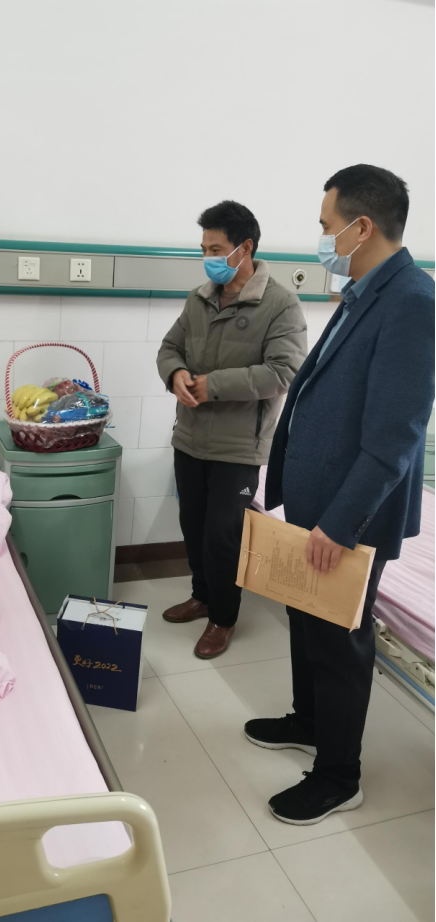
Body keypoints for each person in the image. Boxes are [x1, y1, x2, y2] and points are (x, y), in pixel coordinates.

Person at [245, 164, 435, 825]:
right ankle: (309, 720)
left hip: (348, 515)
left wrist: (341, 522)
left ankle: (338, 774)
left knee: (339, 637)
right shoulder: (364, 291)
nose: (322, 238)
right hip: (315, 503)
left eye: (327, 226)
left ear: (362, 227)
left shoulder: (412, 301)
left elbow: (395, 437)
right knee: (306, 619)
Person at [156, 201, 307, 658]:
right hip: (190, 438)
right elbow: (169, 347)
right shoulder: (199, 299)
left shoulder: (280, 304)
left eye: (216, 249)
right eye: (204, 249)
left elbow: (283, 372)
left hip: (239, 447)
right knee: (193, 525)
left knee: (223, 536)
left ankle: (223, 617)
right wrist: (175, 373)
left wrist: (212, 385)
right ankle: (201, 596)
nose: (208, 258)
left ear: (246, 248)